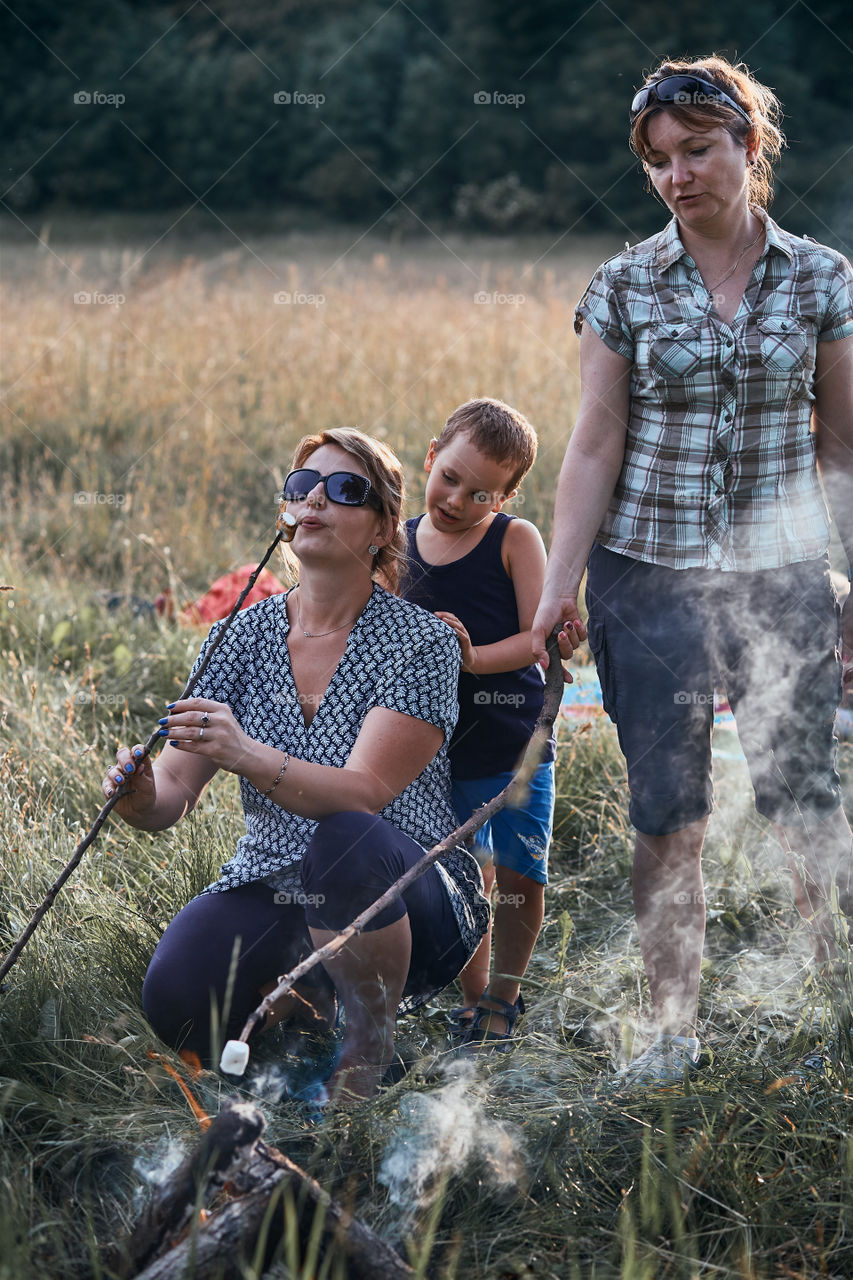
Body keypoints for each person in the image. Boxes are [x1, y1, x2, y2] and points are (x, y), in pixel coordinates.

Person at [531, 55, 853, 1085]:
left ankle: (835, 1008)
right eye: (658, 160)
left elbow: (842, 445)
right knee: (666, 813)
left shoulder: (821, 278)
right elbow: (591, 446)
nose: (677, 174)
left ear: (748, 147)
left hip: (783, 576)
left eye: (698, 150)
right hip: (646, 576)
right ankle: (671, 1032)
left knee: (804, 801)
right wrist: (556, 590)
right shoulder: (622, 284)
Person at [101, 428, 490, 1102]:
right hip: (277, 881)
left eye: (343, 490)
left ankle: (367, 1055)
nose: (313, 500)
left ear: (380, 528)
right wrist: (136, 793)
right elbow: (170, 798)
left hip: (407, 893)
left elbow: (363, 793)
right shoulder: (237, 636)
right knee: (178, 993)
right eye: (299, 487)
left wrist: (246, 753)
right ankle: (304, 1026)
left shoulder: (421, 643)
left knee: (346, 841)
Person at [402, 397, 583, 1047]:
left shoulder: (513, 540)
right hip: (429, 751)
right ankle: (472, 997)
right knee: (460, 876)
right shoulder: (396, 545)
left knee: (515, 875)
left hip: (509, 743)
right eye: (448, 477)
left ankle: (503, 997)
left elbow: (538, 639)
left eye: (481, 494)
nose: (456, 499)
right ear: (430, 457)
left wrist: (471, 657)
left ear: (504, 499)